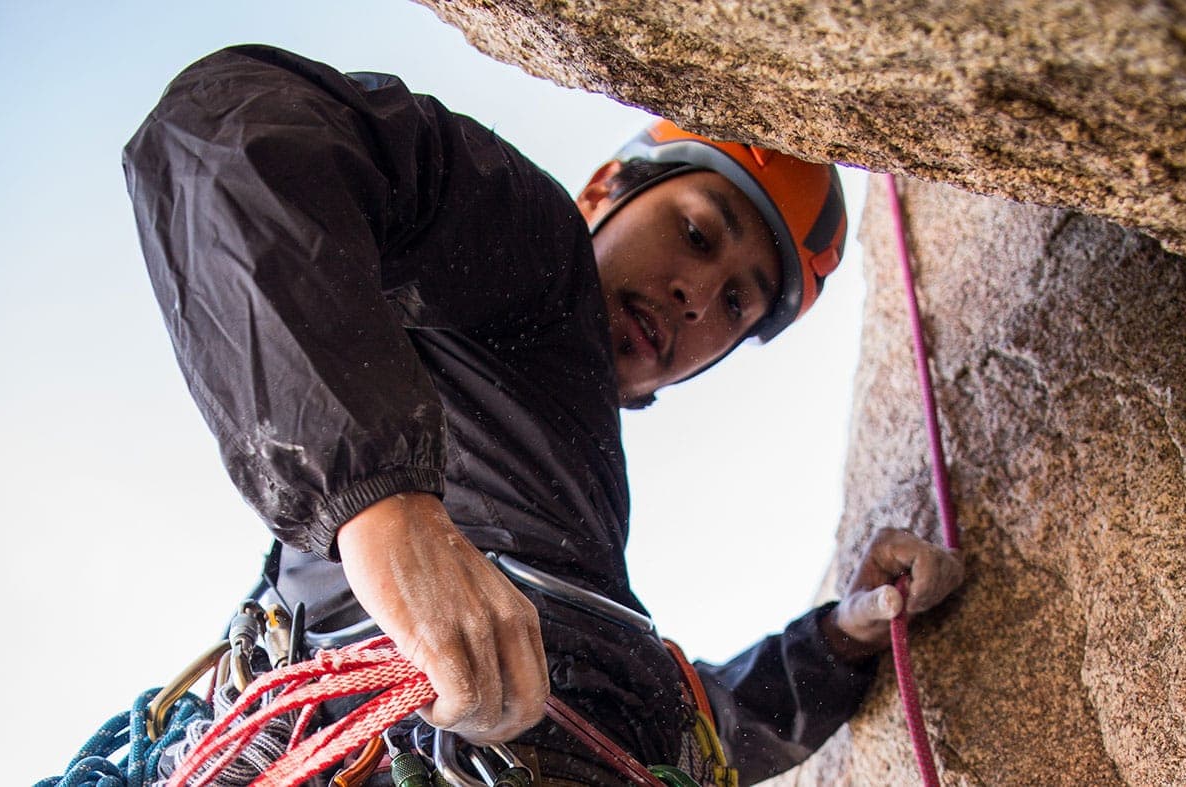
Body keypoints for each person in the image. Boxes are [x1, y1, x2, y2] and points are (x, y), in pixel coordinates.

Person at [124, 44, 963, 786]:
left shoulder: (573, 485)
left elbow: (687, 732)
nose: (697, 295)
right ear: (608, 187)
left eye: (737, 302)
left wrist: (840, 638)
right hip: (366, 737)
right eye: (699, 234)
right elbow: (233, 125)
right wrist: (380, 509)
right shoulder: (529, 251)